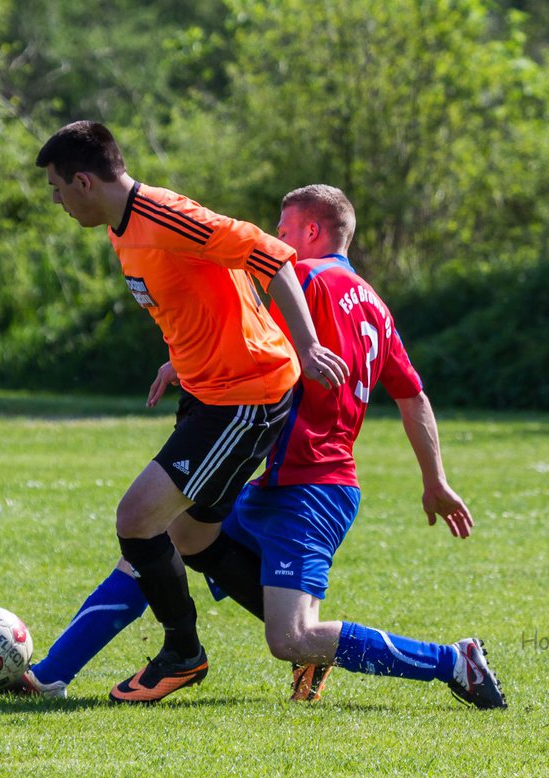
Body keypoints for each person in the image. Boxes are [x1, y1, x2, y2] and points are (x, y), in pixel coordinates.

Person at [23, 183, 505, 710]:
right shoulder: (376, 306)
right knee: (160, 538)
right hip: (281, 482)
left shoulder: (305, 279)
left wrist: (184, 363)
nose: (278, 235)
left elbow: (247, 338)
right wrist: (434, 480)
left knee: (292, 636)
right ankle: (50, 673)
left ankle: (452, 661)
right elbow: (413, 397)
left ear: (312, 231)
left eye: (284, 227)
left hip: (310, 490)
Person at [29, 121, 348, 704]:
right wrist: (180, 358)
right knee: (194, 539)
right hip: (206, 391)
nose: (56, 201)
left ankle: (183, 652)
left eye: (57, 188)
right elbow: (201, 292)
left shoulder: (164, 214)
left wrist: (304, 345)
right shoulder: (122, 230)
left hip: (245, 396)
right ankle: (308, 646)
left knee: (136, 519)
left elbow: (269, 255)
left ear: (83, 180)